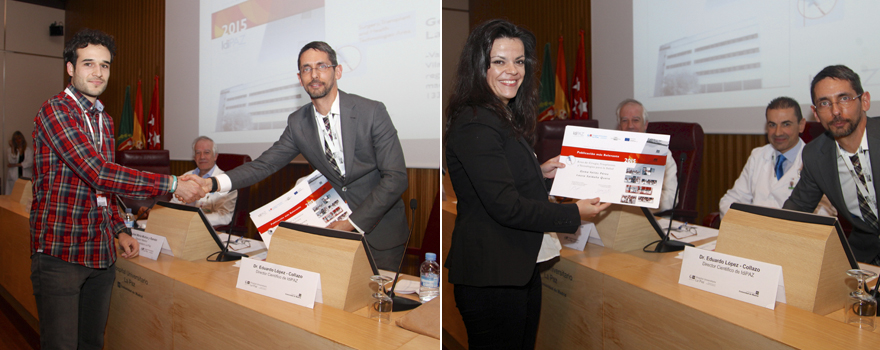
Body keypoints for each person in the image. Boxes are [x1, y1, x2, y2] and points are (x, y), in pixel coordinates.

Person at [30, 29, 203, 349]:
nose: (98, 73)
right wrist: (172, 184)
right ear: (70, 68)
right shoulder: (56, 111)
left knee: (93, 342)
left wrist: (121, 230)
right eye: (88, 64)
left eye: (105, 65)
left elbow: (104, 190)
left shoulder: (106, 122)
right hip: (61, 254)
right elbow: (96, 173)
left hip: (101, 253)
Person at [444, 19, 610, 349]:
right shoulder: (475, 122)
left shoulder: (498, 114)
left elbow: (500, 180)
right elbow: (505, 206)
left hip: (516, 269)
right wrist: (574, 214)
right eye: (499, 61)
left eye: (519, 61)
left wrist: (539, 174)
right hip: (492, 278)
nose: (513, 71)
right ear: (480, 66)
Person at [185, 41, 409, 271]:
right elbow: (263, 165)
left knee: (378, 304)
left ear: (338, 70)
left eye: (321, 66)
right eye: (306, 69)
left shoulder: (371, 112)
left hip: (380, 232)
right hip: (331, 234)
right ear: (300, 78)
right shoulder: (298, 123)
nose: (314, 74)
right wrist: (211, 183)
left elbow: (396, 177)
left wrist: (351, 223)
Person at [783, 65, 880, 264]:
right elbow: (796, 210)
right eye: (825, 103)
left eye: (844, 98)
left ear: (865, 101)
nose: (835, 111)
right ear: (816, 113)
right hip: (865, 260)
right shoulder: (815, 155)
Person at [719, 97, 835, 217]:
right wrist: (752, 226)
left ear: (801, 125)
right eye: (772, 125)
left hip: (792, 233)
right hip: (754, 231)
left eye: (786, 124)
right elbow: (730, 201)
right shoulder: (758, 155)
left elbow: (824, 214)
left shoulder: (817, 160)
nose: (778, 132)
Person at [616, 99, 677, 211]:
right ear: (619, 126)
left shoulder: (662, 153)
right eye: (624, 120)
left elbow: (671, 197)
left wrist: (637, 203)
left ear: (645, 124)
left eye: (636, 120)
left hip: (650, 218)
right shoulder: (610, 153)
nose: (630, 126)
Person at [170, 136, 237, 226]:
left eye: (207, 152)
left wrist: (193, 220)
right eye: (198, 153)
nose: (202, 157)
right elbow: (173, 204)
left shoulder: (226, 181)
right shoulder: (185, 177)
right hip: (179, 225)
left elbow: (224, 216)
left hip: (207, 229)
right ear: (194, 157)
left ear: (215, 156)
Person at [6, 130, 33, 195]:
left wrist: (16, 165)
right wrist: (12, 148)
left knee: (24, 195)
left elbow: (29, 163)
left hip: (25, 175)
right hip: (14, 177)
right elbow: (11, 161)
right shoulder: (10, 150)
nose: (18, 141)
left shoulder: (28, 150)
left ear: (22, 139)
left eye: (19, 138)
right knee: (14, 195)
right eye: (15, 139)